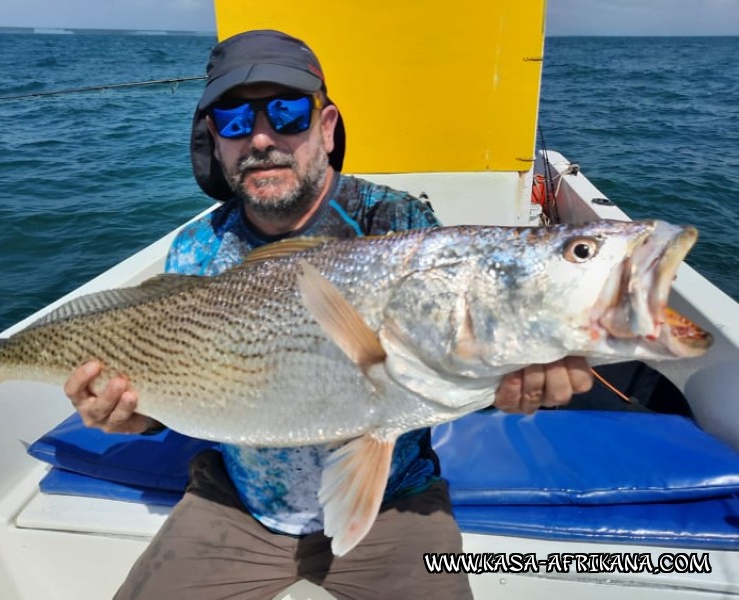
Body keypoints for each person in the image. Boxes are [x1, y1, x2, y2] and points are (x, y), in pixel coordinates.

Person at [64, 29, 593, 600]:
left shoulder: (400, 226)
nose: (262, 137)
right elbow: (182, 396)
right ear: (216, 141)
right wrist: (127, 416)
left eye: (288, 112)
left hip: (397, 501)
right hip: (240, 503)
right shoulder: (195, 251)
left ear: (327, 125)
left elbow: (444, 356)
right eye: (236, 122)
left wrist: (527, 365)